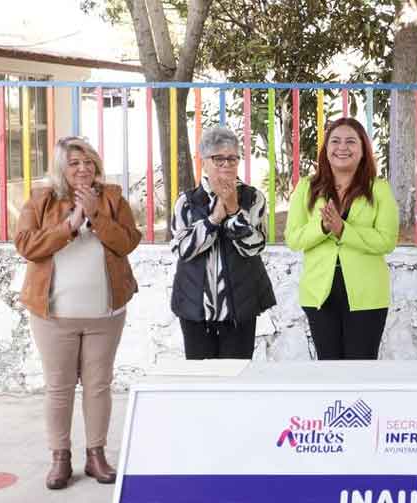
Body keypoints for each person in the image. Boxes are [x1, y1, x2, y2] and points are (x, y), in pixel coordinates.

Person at [14, 136, 141, 490]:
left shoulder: (113, 198)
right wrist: (72, 223)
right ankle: (60, 458)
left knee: (99, 386)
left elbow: (128, 241)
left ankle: (96, 455)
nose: (83, 169)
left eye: (88, 162)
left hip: (105, 313)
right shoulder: (40, 200)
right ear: (61, 169)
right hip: (53, 315)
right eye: (74, 163)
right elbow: (27, 245)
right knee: (59, 387)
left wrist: (96, 214)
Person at [287, 117, 399, 359]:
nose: (342, 147)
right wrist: (324, 228)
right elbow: (294, 238)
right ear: (326, 149)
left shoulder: (378, 189)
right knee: (329, 368)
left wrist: (343, 230)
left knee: (361, 369)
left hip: (367, 295)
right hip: (319, 293)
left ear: (362, 150)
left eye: (351, 141)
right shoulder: (307, 187)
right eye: (335, 141)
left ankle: (358, 401)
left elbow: (386, 240)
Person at [170, 126, 276, 359]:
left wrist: (235, 210)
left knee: (235, 380)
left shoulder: (253, 197)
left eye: (232, 158)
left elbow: (254, 246)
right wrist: (214, 220)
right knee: (201, 381)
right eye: (218, 159)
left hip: (240, 306)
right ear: (204, 162)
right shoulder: (187, 202)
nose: (226, 165)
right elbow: (183, 249)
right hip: (194, 306)